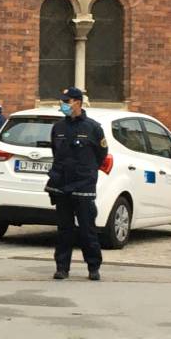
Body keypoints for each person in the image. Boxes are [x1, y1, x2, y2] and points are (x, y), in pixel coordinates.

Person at [45, 87, 108, 281]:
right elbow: (56, 152)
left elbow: (101, 155)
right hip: (62, 185)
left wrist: (86, 172)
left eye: (67, 101)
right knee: (64, 230)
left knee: (87, 229)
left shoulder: (93, 128)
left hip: (83, 186)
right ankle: (62, 268)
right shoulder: (58, 128)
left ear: (78, 103)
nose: (63, 104)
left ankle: (93, 267)